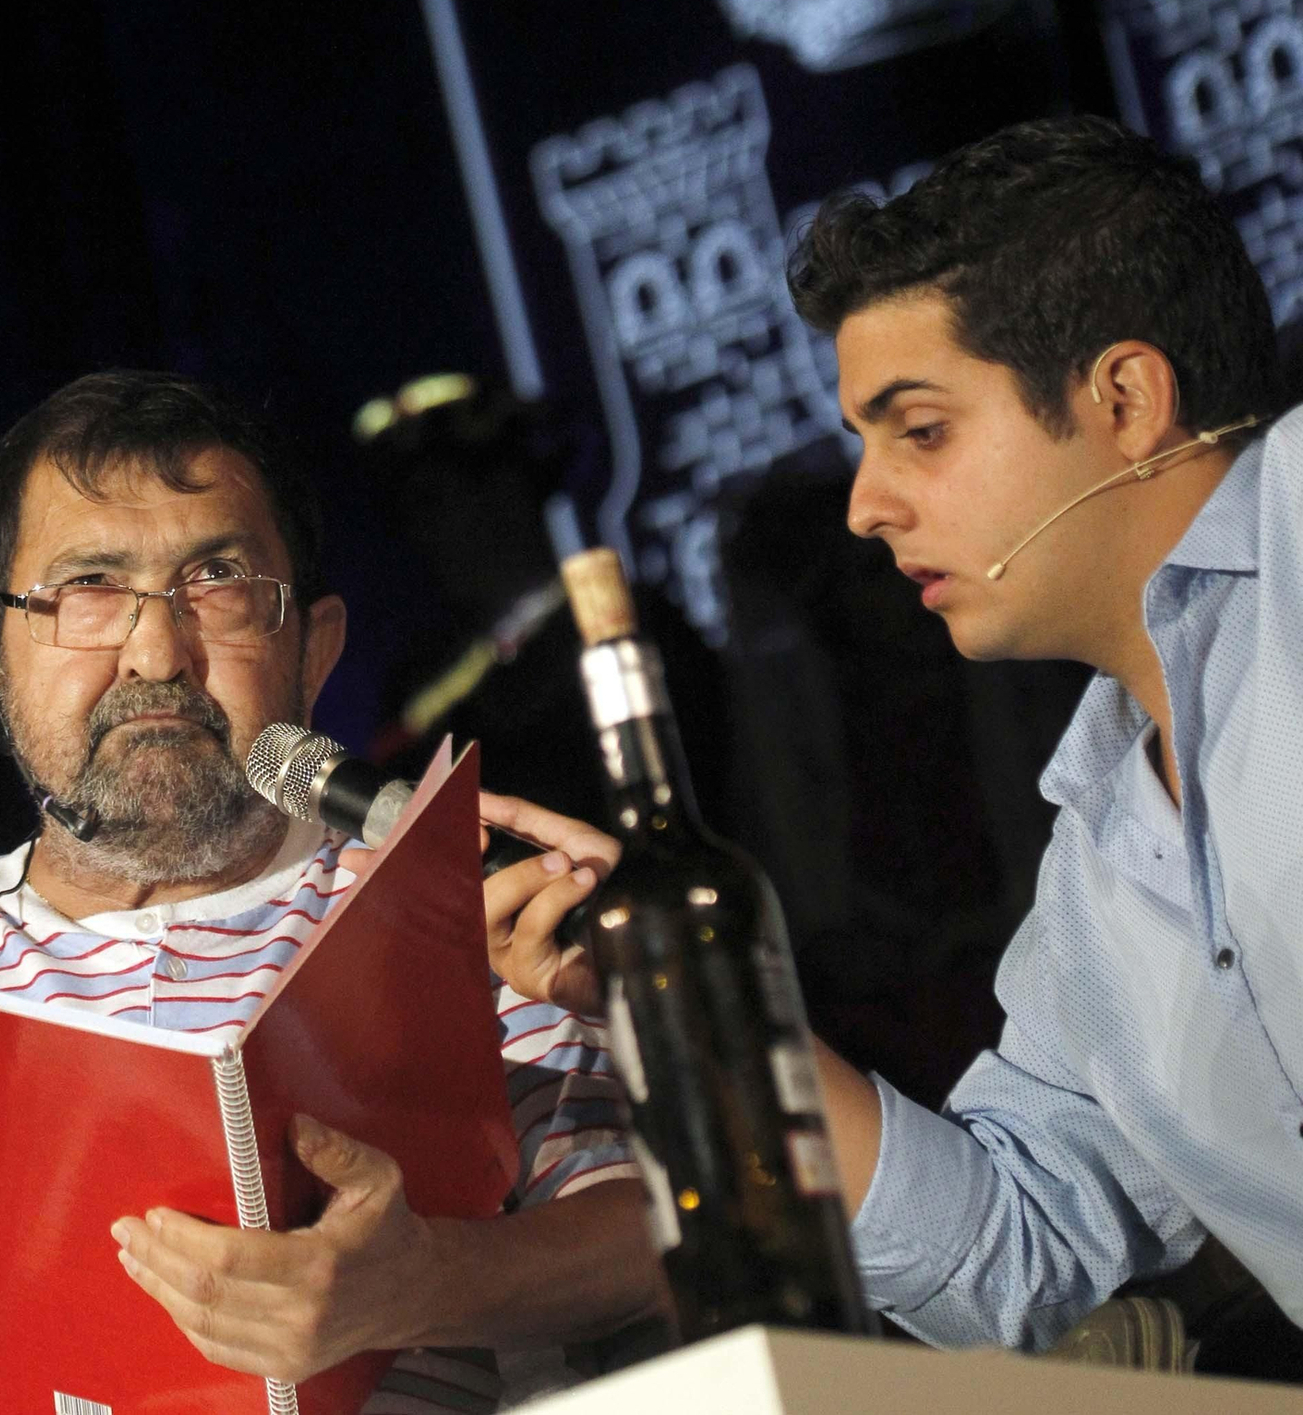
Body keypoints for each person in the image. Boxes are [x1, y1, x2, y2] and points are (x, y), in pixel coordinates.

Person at [483, 115, 1303, 1355]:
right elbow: (1011, 1257)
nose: (865, 505)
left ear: (1126, 399)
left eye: (920, 430)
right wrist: (697, 1018)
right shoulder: (1099, 859)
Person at [0, 371, 656, 1415]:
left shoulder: (441, 906)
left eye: (219, 584)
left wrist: (418, 1284)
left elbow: (651, 1235)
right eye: (88, 592)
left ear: (315, 647)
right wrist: (59, 1256)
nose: (157, 653)